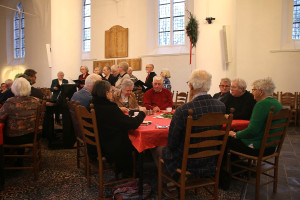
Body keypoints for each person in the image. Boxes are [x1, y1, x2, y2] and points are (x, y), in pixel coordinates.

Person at [152, 70, 226, 177]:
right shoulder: (221, 106)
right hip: (210, 157)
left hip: (187, 161)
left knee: (156, 148)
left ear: (190, 86)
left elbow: (172, 144)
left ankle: (169, 181)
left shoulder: (183, 110)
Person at [91, 80, 146, 175]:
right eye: (111, 91)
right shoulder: (109, 108)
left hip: (96, 144)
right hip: (110, 146)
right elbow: (132, 124)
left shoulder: (93, 104)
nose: (112, 93)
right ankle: (130, 172)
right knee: (136, 141)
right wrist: (142, 113)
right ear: (107, 93)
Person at [228, 77, 282, 157]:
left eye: (254, 90)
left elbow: (252, 131)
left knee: (225, 139)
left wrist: (235, 134)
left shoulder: (261, 104)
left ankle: (232, 168)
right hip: (271, 147)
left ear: (260, 92)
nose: (252, 93)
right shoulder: (277, 103)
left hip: (258, 147)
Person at [0, 77, 40, 145]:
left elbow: (1, 117)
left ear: (13, 89)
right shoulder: (35, 101)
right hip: (33, 135)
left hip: (14, 137)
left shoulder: (10, 101)